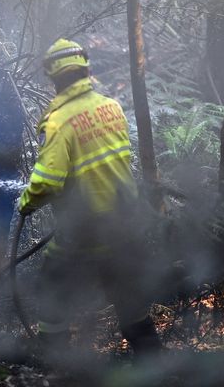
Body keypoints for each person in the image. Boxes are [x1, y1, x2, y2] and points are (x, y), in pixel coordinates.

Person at [18, 38, 162, 358]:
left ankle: (52, 363)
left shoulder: (58, 121)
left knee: (51, 295)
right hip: (124, 227)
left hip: (84, 234)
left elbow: (46, 183)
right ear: (86, 70)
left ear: (54, 78)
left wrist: (26, 203)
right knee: (131, 306)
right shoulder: (111, 108)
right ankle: (158, 365)